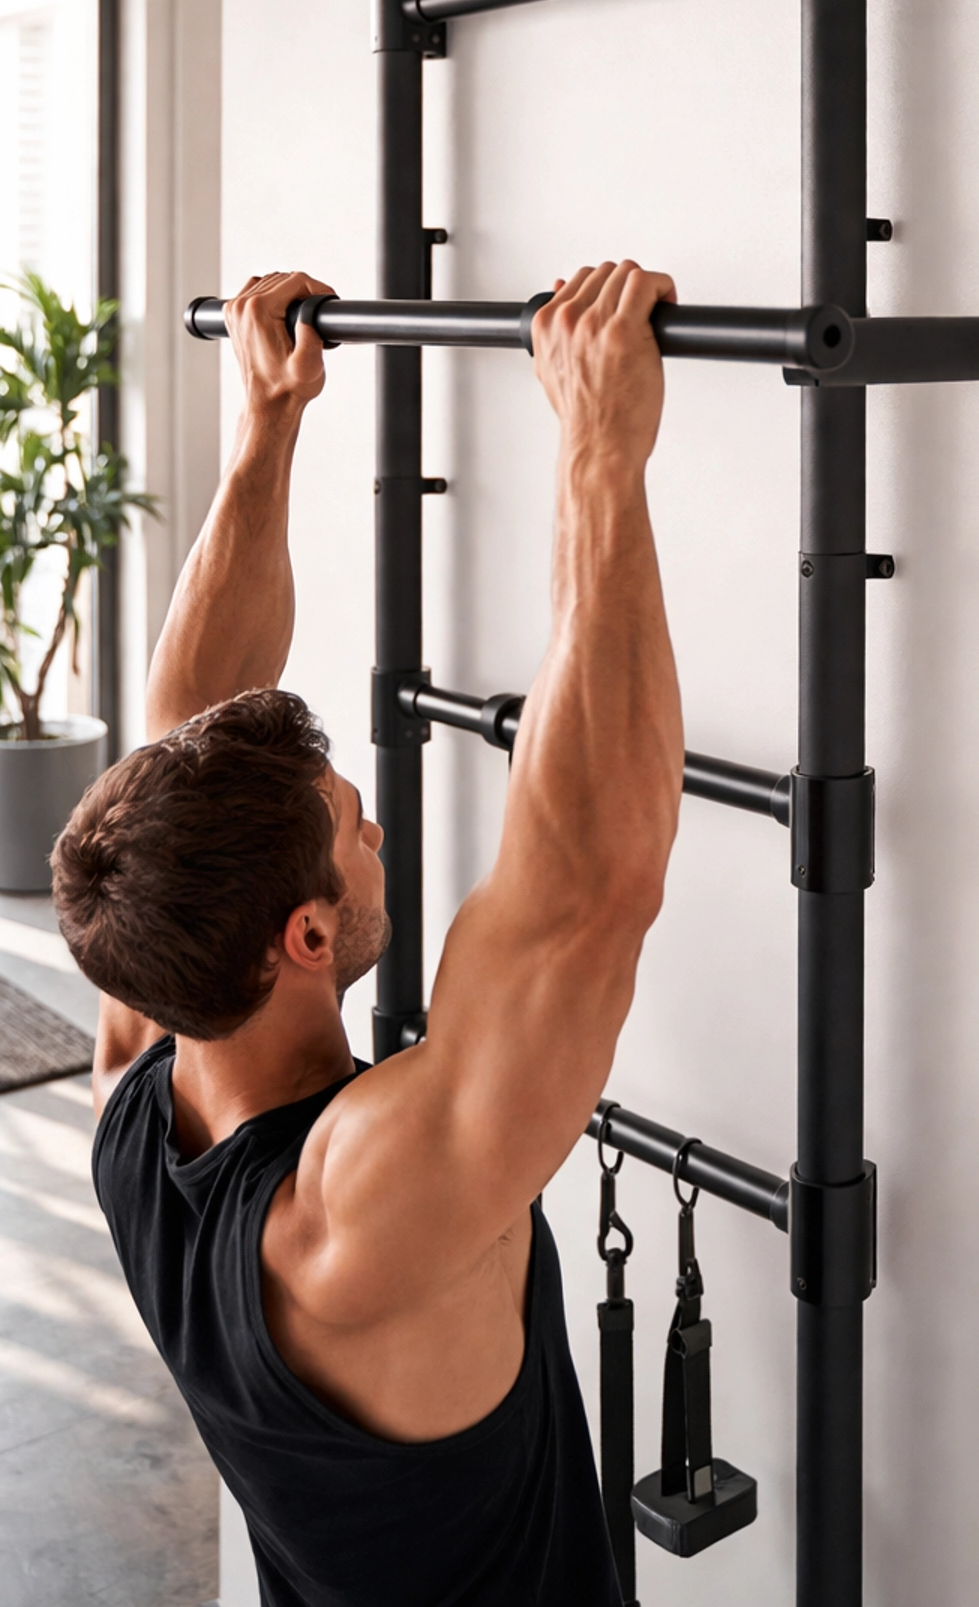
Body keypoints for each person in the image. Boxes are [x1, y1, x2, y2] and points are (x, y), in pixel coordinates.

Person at [52, 261, 684, 1607]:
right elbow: (592, 890)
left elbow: (185, 732)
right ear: (303, 934)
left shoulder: (134, 1096)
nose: (379, 832)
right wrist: (598, 457)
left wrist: (266, 431)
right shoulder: (353, 1213)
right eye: (357, 827)